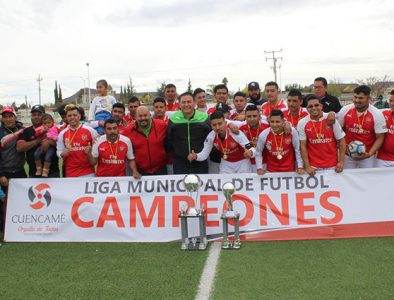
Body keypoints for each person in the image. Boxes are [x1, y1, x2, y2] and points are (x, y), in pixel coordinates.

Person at [188, 111, 255, 174]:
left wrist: (250, 152)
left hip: (242, 163)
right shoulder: (211, 136)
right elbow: (204, 154)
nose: (217, 127)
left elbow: (251, 148)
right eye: (214, 125)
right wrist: (196, 156)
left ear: (225, 123)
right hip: (226, 164)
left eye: (220, 124)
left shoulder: (236, 133)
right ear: (211, 126)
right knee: (225, 185)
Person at [337, 85, 387, 169]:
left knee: (368, 180)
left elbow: (380, 138)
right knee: (347, 180)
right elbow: (338, 131)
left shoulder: (377, 114)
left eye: (361, 98)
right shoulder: (345, 110)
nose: (357, 100)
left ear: (368, 98)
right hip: (348, 155)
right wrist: (342, 148)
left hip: (367, 157)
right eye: (355, 97)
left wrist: (369, 154)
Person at [298, 95, 346, 175]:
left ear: (321, 106)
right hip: (313, 167)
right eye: (310, 106)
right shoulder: (302, 122)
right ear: (306, 109)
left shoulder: (330, 119)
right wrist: (307, 166)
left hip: (333, 166)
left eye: (316, 105)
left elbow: (341, 140)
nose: (313, 108)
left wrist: (341, 162)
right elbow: (303, 146)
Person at [167, 92, 211, 174]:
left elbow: (211, 138)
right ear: (179, 104)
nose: (186, 104)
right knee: (180, 186)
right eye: (183, 102)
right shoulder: (173, 119)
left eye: (189, 102)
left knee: (201, 186)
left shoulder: (204, 117)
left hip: (200, 161)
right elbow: (169, 140)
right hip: (180, 163)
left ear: (194, 103)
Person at [17, 105, 60, 178]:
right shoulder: (26, 131)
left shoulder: (54, 128)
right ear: (31, 117)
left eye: (39, 115)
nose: (36, 117)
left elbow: (61, 145)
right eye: (34, 115)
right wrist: (38, 140)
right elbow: (19, 148)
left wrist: (49, 142)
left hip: (53, 172)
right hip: (34, 173)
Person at [0, 106, 25, 229]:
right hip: (5, 172)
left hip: (20, 171)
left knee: (22, 200)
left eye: (10, 116)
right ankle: (6, 228)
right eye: (5, 117)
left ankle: (20, 226)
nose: (8, 119)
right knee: (5, 202)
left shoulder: (22, 130)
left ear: (15, 117)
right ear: (2, 119)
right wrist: (1, 174)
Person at [256, 110, 303, 174]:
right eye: (272, 122)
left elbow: (297, 150)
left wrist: (300, 166)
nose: (274, 125)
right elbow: (258, 152)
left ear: (283, 121)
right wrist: (259, 168)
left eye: (277, 122)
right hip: (271, 171)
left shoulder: (292, 131)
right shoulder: (264, 134)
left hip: (289, 170)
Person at [124, 106, 168, 175]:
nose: (143, 118)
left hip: (161, 169)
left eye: (145, 115)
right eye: (140, 116)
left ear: (150, 115)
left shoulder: (162, 125)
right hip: (140, 171)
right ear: (135, 117)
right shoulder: (128, 131)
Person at [57, 104, 99, 177]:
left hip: (88, 172)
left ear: (79, 116)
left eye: (74, 115)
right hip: (71, 172)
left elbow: (98, 147)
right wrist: (62, 154)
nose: (72, 117)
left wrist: (90, 153)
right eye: (69, 116)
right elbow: (59, 151)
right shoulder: (62, 133)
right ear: (66, 118)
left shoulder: (90, 130)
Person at [239, 105, 269, 172]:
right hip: (248, 163)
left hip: (266, 162)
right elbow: (242, 146)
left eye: (254, 116)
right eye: (249, 116)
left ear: (259, 116)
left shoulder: (267, 127)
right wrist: (252, 144)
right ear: (245, 117)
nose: (252, 119)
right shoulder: (241, 129)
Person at [376, 90, 394, 167]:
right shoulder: (383, 114)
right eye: (390, 100)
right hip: (383, 159)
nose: (392, 104)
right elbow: (367, 111)